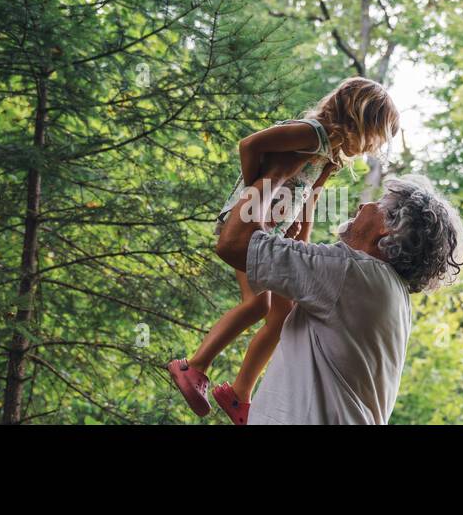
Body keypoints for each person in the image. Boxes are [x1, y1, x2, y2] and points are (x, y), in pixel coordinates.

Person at [167, 77, 400, 424]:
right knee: (258, 304)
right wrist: (249, 204)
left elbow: (310, 201)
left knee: (283, 313)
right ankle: (194, 366)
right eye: (372, 138)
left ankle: (239, 395)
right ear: (357, 118)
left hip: (272, 233)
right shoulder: (311, 133)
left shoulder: (329, 156)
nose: (369, 149)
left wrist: (299, 244)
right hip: (248, 223)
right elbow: (250, 145)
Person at [209, 173, 463, 424]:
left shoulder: (352, 273)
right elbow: (291, 299)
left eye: (378, 204)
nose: (364, 205)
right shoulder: (385, 290)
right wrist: (311, 193)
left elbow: (233, 244)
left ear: (388, 230)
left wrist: (277, 172)